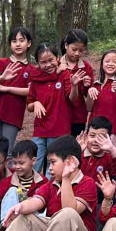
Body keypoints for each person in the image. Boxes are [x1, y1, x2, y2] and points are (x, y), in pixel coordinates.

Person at [0, 136, 100, 231]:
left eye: (53, 162)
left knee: (68, 214)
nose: (50, 168)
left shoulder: (88, 183)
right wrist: (19, 207)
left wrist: (66, 179)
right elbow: (36, 202)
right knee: (24, 218)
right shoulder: (50, 184)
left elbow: (71, 210)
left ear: (69, 162)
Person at [26, 43, 72, 171]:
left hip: (59, 129)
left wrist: (74, 84)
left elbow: (71, 97)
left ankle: (49, 191)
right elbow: (29, 105)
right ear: (38, 64)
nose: (48, 65)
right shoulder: (35, 79)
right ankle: (29, 190)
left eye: (51, 60)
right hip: (40, 130)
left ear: (58, 59)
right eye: (43, 62)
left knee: (53, 168)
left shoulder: (64, 74)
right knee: (34, 164)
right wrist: (36, 103)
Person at [0, 27, 33, 146]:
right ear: (10, 45)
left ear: (29, 43)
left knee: (8, 152)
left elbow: (30, 91)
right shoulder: (2, 62)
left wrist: (6, 88)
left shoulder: (32, 70)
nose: (18, 44)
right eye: (14, 41)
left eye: (21, 40)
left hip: (13, 115)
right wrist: (2, 78)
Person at [60, 28, 94, 137]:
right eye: (74, 49)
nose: (77, 53)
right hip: (58, 116)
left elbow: (88, 95)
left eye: (81, 50)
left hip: (78, 117)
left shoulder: (86, 68)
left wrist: (86, 86)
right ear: (66, 45)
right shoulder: (56, 65)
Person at [86, 49, 116, 131]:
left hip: (113, 129)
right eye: (107, 61)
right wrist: (89, 92)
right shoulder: (96, 84)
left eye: (115, 62)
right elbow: (89, 108)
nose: (110, 64)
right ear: (102, 64)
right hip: (94, 129)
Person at [80, 117, 116, 183]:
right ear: (86, 137)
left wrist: (112, 149)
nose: (96, 140)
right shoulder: (80, 154)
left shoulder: (109, 158)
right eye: (92, 136)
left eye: (101, 137)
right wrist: (78, 151)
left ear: (109, 139)